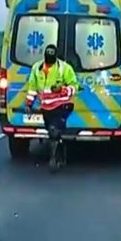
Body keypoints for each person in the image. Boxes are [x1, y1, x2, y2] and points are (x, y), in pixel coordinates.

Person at [24, 44, 78, 172]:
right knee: (52, 132)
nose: (49, 64)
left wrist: (62, 89)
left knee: (54, 130)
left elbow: (74, 86)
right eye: (48, 61)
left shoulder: (64, 68)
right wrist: (29, 104)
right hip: (46, 107)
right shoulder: (37, 68)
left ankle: (53, 159)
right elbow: (32, 88)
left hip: (62, 105)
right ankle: (61, 151)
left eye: (51, 61)